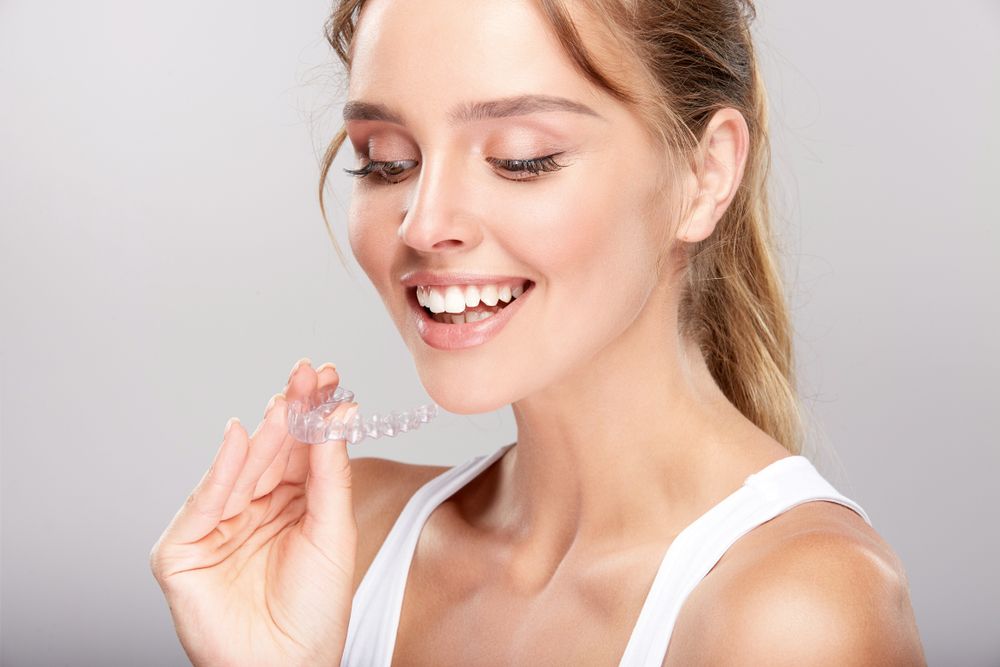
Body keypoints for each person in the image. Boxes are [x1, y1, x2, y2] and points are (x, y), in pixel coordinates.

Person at [150, 0, 927, 664]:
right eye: (386, 161)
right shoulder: (343, 543)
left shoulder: (794, 610)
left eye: (523, 159)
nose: (425, 224)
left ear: (705, 174)